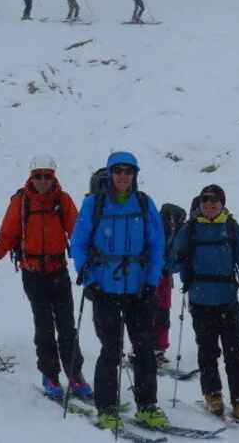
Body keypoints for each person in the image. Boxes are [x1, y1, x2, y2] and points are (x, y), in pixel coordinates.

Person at [0, 154, 91, 400]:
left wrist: (91, 256)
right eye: (38, 176)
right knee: (44, 326)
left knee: (67, 325)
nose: (42, 180)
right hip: (32, 273)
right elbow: (8, 235)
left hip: (58, 270)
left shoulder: (63, 200)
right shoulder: (21, 202)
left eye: (47, 176)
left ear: (53, 176)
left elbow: (78, 233)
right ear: (31, 176)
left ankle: (75, 374)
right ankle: (50, 374)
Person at [70, 151, 170, 430]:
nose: (123, 176)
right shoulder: (94, 204)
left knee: (145, 349)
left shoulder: (144, 203)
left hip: (138, 290)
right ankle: (106, 407)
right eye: (118, 171)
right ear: (110, 174)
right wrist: (88, 279)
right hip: (105, 290)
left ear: (135, 175)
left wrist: (152, 282)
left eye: (129, 171)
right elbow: (77, 245)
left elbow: (157, 245)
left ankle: (147, 406)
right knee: (111, 350)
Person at [168, 185, 239, 422]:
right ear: (200, 203)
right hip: (200, 301)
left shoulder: (231, 228)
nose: (210, 204)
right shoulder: (190, 229)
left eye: (214, 200)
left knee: (235, 351)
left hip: (227, 300)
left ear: (222, 203)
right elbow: (172, 263)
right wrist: (179, 261)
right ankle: (213, 394)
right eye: (205, 200)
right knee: (207, 350)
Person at [154, 202, 189, 367]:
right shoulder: (170, 229)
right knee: (161, 313)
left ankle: (152, 350)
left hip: (156, 276)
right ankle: (156, 350)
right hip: (161, 277)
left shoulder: (157, 226)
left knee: (154, 314)